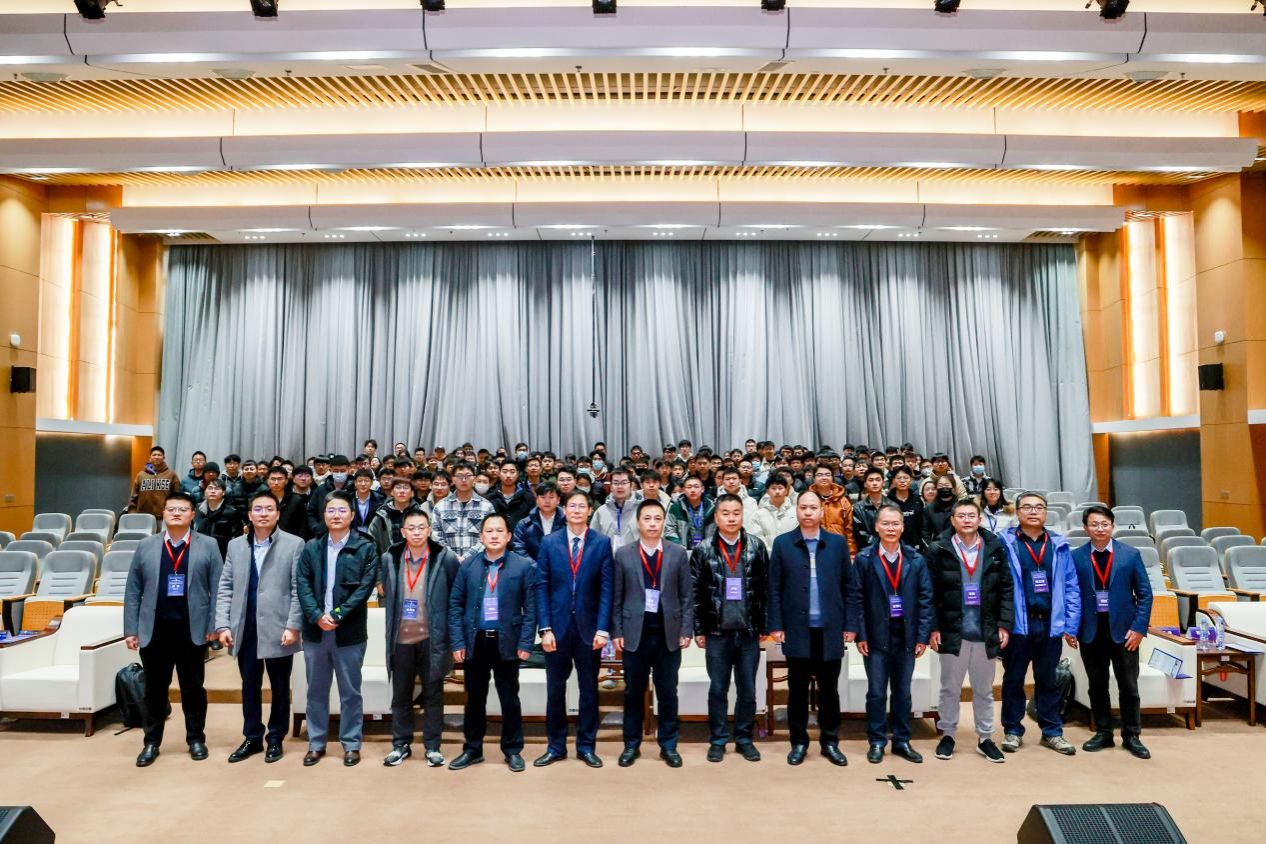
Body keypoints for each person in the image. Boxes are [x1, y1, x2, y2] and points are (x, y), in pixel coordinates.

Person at [123, 492, 223, 767]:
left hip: (192, 629)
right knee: (154, 690)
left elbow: (218, 588)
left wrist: (215, 625)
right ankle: (151, 742)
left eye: (182, 509)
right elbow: (133, 590)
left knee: (193, 689)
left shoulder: (209, 545)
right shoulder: (146, 545)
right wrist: (131, 629)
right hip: (154, 630)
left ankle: (196, 739)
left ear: (193, 514)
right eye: (171, 509)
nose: (176, 513)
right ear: (163, 514)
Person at [214, 490, 305, 764]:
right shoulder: (235, 546)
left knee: (280, 686)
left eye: (269, 509)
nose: (263, 513)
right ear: (249, 515)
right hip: (245, 628)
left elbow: (298, 589)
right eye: (258, 509)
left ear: (278, 514)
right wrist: (223, 624)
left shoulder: (294, 544)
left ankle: (276, 737)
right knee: (249, 685)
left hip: (279, 628)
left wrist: (293, 625)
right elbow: (225, 587)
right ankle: (252, 737)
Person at [294, 490, 380, 767]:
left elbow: (365, 587)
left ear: (352, 516)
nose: (336, 515)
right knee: (316, 691)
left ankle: (351, 744)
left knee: (350, 692)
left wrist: (337, 614)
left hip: (349, 633)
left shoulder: (365, 547)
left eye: (342, 510)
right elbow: (302, 583)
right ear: (324, 515)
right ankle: (316, 743)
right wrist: (316, 615)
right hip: (316, 631)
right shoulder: (312, 547)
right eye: (331, 510)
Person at [768, 489, 853, 767]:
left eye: (813, 507)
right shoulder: (783, 544)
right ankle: (799, 742)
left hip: (830, 630)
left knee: (829, 691)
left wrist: (850, 624)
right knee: (797, 690)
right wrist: (776, 624)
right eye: (803, 507)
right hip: (797, 629)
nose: (807, 512)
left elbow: (849, 587)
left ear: (821, 511)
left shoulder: (837, 543)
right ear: (796, 510)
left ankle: (830, 742)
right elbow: (774, 588)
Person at [925, 499, 1013, 763]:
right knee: (950, 688)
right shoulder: (938, 549)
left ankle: (985, 738)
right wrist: (933, 628)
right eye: (961, 516)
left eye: (971, 515)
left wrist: (1004, 624)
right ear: (952, 520)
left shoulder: (995, 547)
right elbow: (929, 592)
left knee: (984, 690)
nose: (966, 520)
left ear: (979, 519)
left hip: (986, 630)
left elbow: (1006, 588)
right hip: (952, 630)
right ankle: (948, 735)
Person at [448, 513, 537, 773]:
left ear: (508, 536)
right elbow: (455, 605)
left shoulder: (523, 566)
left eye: (500, 531)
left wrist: (526, 643)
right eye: (489, 531)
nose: (494, 535)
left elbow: (531, 609)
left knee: (509, 699)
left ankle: (513, 750)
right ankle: (472, 749)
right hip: (475, 641)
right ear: (481, 536)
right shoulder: (468, 566)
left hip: (507, 641)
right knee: (475, 699)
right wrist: (458, 641)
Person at [847, 504, 934, 764]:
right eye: (885, 523)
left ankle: (902, 740)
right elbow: (857, 599)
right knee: (876, 693)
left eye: (896, 523)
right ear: (876, 526)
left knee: (903, 692)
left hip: (906, 636)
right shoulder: (864, 559)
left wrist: (922, 636)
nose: (891, 528)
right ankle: (876, 741)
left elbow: (926, 599)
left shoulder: (916, 559)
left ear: (903, 527)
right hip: (875, 637)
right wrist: (861, 634)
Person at [534, 491, 614, 768]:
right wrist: (544, 628)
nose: (577, 510)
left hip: (589, 630)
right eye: (572, 506)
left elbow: (607, 589)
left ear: (590, 511)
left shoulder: (602, 543)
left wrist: (603, 629)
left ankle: (586, 746)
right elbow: (541, 587)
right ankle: (555, 747)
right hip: (556, 630)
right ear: (564, 510)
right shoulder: (549, 542)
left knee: (589, 690)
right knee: (555, 691)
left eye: (582, 506)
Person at [612, 498, 694, 768]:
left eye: (657, 518)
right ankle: (631, 745)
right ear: (638, 523)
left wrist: (686, 629)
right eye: (647, 518)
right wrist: (617, 631)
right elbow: (617, 597)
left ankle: (669, 745)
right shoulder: (624, 554)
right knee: (633, 693)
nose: (652, 523)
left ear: (663, 522)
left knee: (668, 692)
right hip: (634, 635)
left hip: (668, 635)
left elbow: (686, 596)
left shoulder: (677, 553)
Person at [999, 492, 1081, 755]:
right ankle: (1013, 730)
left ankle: (1052, 731)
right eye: (1027, 507)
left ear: (1046, 512)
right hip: (1018, 625)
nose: (1033, 511)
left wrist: (1071, 624)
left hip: (1050, 624)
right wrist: (1000, 623)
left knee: (1048, 680)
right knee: (1013, 680)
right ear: (1017, 512)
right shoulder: (1005, 543)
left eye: (1039, 507)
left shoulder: (1059, 544)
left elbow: (1071, 586)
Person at [1070, 505, 1153, 759]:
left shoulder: (1130, 555)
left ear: (1112, 526)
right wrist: (1070, 628)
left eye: (1104, 524)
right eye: (1094, 524)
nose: (1100, 529)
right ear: (1085, 528)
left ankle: (1132, 735)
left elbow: (1145, 595)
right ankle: (1103, 732)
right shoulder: (1076, 557)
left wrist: (1138, 628)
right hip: (1090, 631)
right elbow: (1071, 595)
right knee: (1097, 686)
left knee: (1129, 686)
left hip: (1125, 633)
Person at [691, 493, 769, 762]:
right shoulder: (703, 550)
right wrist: (699, 629)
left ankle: (744, 738)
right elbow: (694, 593)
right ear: (716, 517)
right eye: (725, 513)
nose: (731, 518)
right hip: (716, 633)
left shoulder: (757, 547)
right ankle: (718, 740)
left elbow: (766, 588)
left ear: (743, 515)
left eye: (736, 513)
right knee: (718, 689)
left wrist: (764, 625)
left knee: (748, 690)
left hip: (748, 632)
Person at [380, 508, 461, 767]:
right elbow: (386, 593)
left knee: (433, 695)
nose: (416, 532)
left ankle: (433, 746)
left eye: (421, 528)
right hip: (400, 639)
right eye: (411, 528)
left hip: (432, 639)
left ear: (429, 530)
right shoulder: (390, 557)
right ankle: (400, 744)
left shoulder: (445, 557)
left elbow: (455, 597)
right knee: (400, 696)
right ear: (403, 532)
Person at [433, 461, 496, 563]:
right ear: (453, 479)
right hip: (447, 562)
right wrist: (453, 556)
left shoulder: (487, 506)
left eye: (468, 476)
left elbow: (490, 534)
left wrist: (467, 557)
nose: (463, 480)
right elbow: (436, 536)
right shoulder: (440, 506)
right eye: (459, 476)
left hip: (478, 562)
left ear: (474, 479)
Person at [810, 464, 858, 556]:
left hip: (838, 548)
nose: (824, 477)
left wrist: (852, 553)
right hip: (814, 548)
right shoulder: (809, 499)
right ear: (814, 478)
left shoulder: (843, 501)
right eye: (820, 475)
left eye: (827, 475)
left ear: (832, 478)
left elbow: (849, 529)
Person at [510, 481, 565, 561]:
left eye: (551, 497)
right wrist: (536, 566)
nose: (547, 501)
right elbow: (519, 548)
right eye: (543, 497)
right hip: (531, 567)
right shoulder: (524, 524)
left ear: (558, 500)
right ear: (537, 499)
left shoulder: (567, 523)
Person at [193, 478, 243, 559]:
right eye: (210, 488)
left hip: (223, 554)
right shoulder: (197, 509)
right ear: (205, 492)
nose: (213, 491)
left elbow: (237, 537)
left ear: (223, 492)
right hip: (199, 552)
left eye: (217, 488)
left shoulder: (232, 512)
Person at [128, 446, 183, 519]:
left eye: (159, 455)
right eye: (154, 455)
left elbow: (177, 496)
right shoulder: (141, 475)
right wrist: (132, 513)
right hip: (143, 516)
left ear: (164, 458)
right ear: (150, 457)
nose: (156, 457)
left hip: (165, 517)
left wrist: (174, 514)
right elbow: (133, 496)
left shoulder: (171, 475)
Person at [591, 467, 640, 550]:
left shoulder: (642, 510)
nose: (620, 486)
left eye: (624, 483)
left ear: (631, 485)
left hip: (635, 556)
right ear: (611, 486)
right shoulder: (601, 512)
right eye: (616, 483)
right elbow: (593, 540)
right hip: (607, 557)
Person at [306, 454, 352, 536]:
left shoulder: (354, 489)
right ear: (330, 469)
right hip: (323, 534)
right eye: (336, 471)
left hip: (349, 534)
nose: (339, 473)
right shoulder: (321, 489)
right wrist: (316, 527)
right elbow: (310, 513)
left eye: (342, 471)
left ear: (348, 469)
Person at [368, 478, 417, 555]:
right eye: (398, 487)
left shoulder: (420, 514)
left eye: (406, 488)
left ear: (412, 493)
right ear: (392, 492)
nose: (402, 491)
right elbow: (371, 542)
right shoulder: (381, 516)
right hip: (386, 560)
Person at [753, 472, 798, 550]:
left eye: (780, 488)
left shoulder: (795, 512)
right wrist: (769, 552)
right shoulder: (759, 514)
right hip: (768, 554)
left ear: (786, 491)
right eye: (773, 488)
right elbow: (758, 536)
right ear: (768, 491)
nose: (777, 491)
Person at [852, 467, 893, 551]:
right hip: (866, 551)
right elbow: (859, 533)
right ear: (865, 484)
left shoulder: (893, 506)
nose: (874, 483)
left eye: (878, 480)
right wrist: (880, 543)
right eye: (871, 480)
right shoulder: (857, 508)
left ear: (883, 483)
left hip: (890, 548)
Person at [667, 476, 713, 550]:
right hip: (683, 550)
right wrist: (678, 546)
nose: (693, 490)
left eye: (696, 487)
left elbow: (717, 530)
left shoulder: (711, 507)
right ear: (684, 490)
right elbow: (669, 529)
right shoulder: (676, 507)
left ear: (702, 489)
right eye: (689, 487)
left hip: (708, 551)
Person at [486, 461, 533, 531]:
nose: (508, 475)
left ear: (517, 474)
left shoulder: (528, 498)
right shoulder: (489, 498)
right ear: (499, 474)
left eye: (512, 472)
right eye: (504, 472)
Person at [887, 465, 926, 550]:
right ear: (893, 480)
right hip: (894, 546)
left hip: (916, 546)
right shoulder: (887, 502)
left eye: (906, 478)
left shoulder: (917, 500)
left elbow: (923, 525)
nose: (902, 481)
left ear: (911, 479)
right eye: (898, 478)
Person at [922, 473, 959, 543]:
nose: (944, 487)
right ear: (936, 488)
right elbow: (925, 532)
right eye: (941, 485)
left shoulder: (960, 507)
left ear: (953, 487)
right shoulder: (929, 509)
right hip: (937, 545)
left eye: (947, 485)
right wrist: (931, 546)